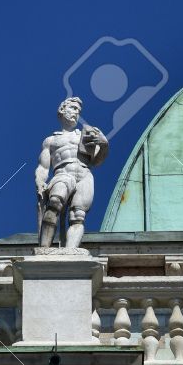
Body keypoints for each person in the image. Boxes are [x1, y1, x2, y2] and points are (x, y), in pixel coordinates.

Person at [36, 97, 108, 250]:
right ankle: (44, 249)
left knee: (78, 216)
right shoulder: (50, 140)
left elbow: (97, 160)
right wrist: (40, 182)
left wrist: (104, 144)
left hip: (84, 174)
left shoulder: (85, 136)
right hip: (62, 173)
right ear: (62, 110)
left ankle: (70, 251)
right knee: (54, 202)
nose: (77, 112)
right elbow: (43, 167)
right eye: (73, 108)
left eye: (78, 110)